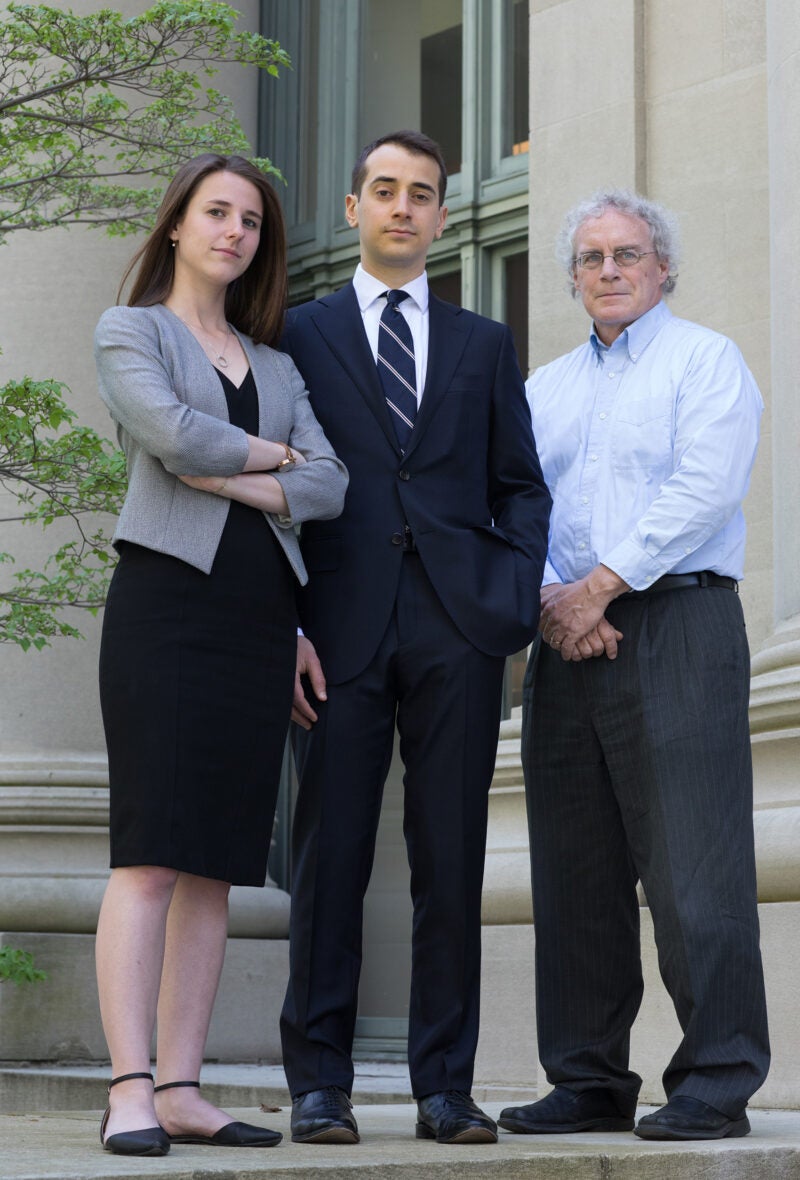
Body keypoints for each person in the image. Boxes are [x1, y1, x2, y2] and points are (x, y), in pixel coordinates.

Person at [277, 130, 551, 1147]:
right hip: (335, 624)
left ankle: (445, 1087)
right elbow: (276, 489)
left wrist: (507, 599)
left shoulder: (482, 344)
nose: (402, 207)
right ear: (352, 209)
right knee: (329, 854)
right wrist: (286, 621)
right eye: (384, 191)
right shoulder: (299, 332)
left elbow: (520, 485)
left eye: (421, 194)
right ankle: (319, 1083)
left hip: (456, 625)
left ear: (440, 215)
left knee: (450, 858)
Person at [498, 188, 770, 1143]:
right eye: (590, 258)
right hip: (566, 636)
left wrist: (601, 588)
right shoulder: (543, 388)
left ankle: (717, 1077)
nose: (608, 271)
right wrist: (557, 605)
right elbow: (516, 506)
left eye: (627, 254)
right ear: (573, 278)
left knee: (697, 865)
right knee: (575, 870)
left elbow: (705, 486)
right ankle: (586, 1078)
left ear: (664, 268)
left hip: (679, 623)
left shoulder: (706, 362)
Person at [92, 153, 347, 1157]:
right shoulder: (132, 330)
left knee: (217, 868)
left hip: (257, 621)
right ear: (176, 227)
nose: (233, 231)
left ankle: (187, 1086)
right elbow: (166, 432)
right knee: (152, 852)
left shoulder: (276, 363)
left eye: (249, 219)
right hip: (165, 610)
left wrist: (248, 473)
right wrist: (277, 459)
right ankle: (129, 1088)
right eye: (216, 212)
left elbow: (330, 485)